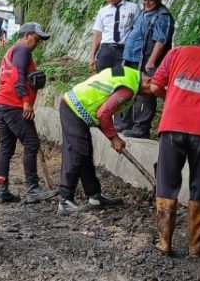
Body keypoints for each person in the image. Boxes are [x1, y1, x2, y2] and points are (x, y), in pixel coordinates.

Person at [144, 28, 200, 257]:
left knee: (167, 183)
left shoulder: (176, 53)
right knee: (199, 185)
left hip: (172, 125)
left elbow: (154, 87)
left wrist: (173, 98)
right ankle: (195, 246)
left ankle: (164, 243)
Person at [57, 63, 142, 214]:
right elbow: (103, 114)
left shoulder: (131, 74)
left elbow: (102, 111)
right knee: (77, 153)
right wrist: (114, 138)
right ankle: (64, 200)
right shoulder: (128, 89)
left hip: (78, 105)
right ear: (149, 82)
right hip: (73, 107)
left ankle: (95, 197)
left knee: (85, 153)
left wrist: (112, 137)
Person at [0, 22, 59, 204]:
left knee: (6, 149)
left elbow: (2, 78)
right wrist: (26, 101)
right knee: (31, 143)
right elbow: (18, 76)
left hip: (1, 102)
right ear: (27, 35)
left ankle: (2, 190)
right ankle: (32, 188)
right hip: (14, 104)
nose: (37, 44)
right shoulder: (22, 50)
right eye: (36, 39)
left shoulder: (11, 51)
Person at [118, 0, 175, 138]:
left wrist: (151, 62)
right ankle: (125, 122)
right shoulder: (144, 13)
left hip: (146, 61)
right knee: (129, 89)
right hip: (132, 59)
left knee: (145, 93)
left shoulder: (163, 16)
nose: (146, 2)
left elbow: (161, 41)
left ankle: (141, 128)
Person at [89, 0, 138, 73]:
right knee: (102, 79)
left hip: (123, 51)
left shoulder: (133, 8)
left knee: (118, 79)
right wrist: (92, 56)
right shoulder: (103, 11)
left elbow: (137, 31)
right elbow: (97, 34)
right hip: (105, 51)